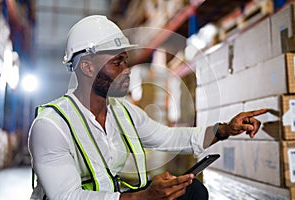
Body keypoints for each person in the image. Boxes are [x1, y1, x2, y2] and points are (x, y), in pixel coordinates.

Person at [28, 15, 268, 200]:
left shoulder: (122, 113)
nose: (127, 69)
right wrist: (142, 197)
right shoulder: (51, 126)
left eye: (126, 60)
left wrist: (225, 129)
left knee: (191, 191)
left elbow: (170, 138)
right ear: (88, 68)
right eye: (117, 62)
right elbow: (68, 197)